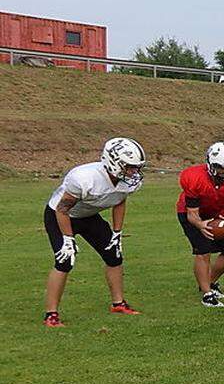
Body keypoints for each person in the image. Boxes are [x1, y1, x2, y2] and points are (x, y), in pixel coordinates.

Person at [42, 137, 147, 327]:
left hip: (89, 216)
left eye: (136, 167)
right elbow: (62, 209)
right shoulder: (83, 178)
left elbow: (120, 201)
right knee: (64, 261)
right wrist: (67, 239)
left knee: (114, 256)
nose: (134, 172)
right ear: (114, 162)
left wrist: (117, 232)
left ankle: (118, 303)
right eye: (130, 166)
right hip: (61, 215)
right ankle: (51, 315)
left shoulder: (126, 181)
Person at [176, 142, 224, 307]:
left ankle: (209, 281)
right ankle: (207, 294)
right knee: (203, 251)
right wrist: (201, 225)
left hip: (216, 214)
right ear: (210, 164)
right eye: (220, 168)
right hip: (191, 213)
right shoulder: (194, 178)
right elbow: (192, 214)